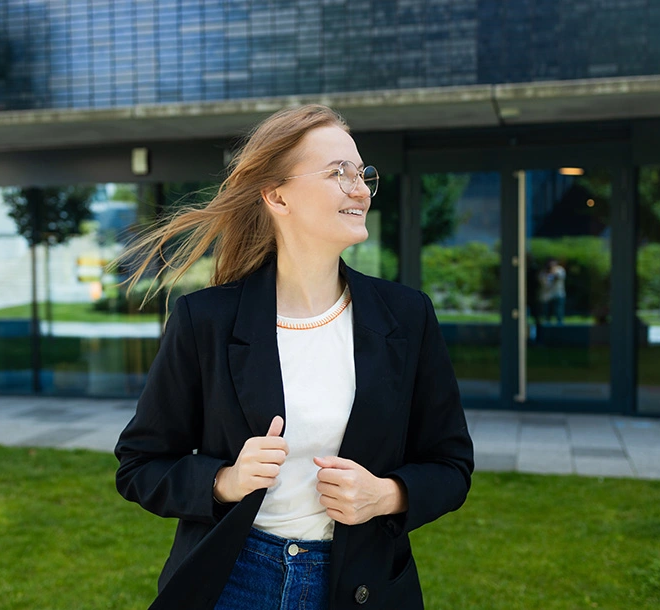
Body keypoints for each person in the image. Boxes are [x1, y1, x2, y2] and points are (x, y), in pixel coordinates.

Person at [114, 104, 474, 610]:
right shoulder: (205, 321)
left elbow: (452, 465)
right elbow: (139, 465)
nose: (360, 188)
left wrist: (386, 495)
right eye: (337, 173)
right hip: (234, 583)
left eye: (362, 173)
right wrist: (225, 481)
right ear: (276, 195)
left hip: (360, 585)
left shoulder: (407, 317)